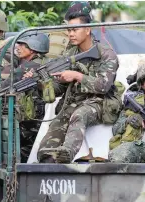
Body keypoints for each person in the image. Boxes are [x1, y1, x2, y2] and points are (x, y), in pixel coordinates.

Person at [37, 5, 119, 163]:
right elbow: (60, 89)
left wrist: (77, 76)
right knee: (50, 141)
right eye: (69, 30)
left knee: (80, 114)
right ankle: (48, 163)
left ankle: (67, 152)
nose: (71, 34)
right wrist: (43, 82)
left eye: (75, 29)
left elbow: (104, 86)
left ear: (88, 29)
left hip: (99, 102)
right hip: (73, 103)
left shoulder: (106, 54)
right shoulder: (69, 54)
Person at [9, 33, 57, 163]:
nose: (18, 47)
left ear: (33, 48)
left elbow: (5, 85)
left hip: (33, 120)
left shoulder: (29, 66)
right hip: (43, 118)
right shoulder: (45, 62)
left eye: (22, 44)